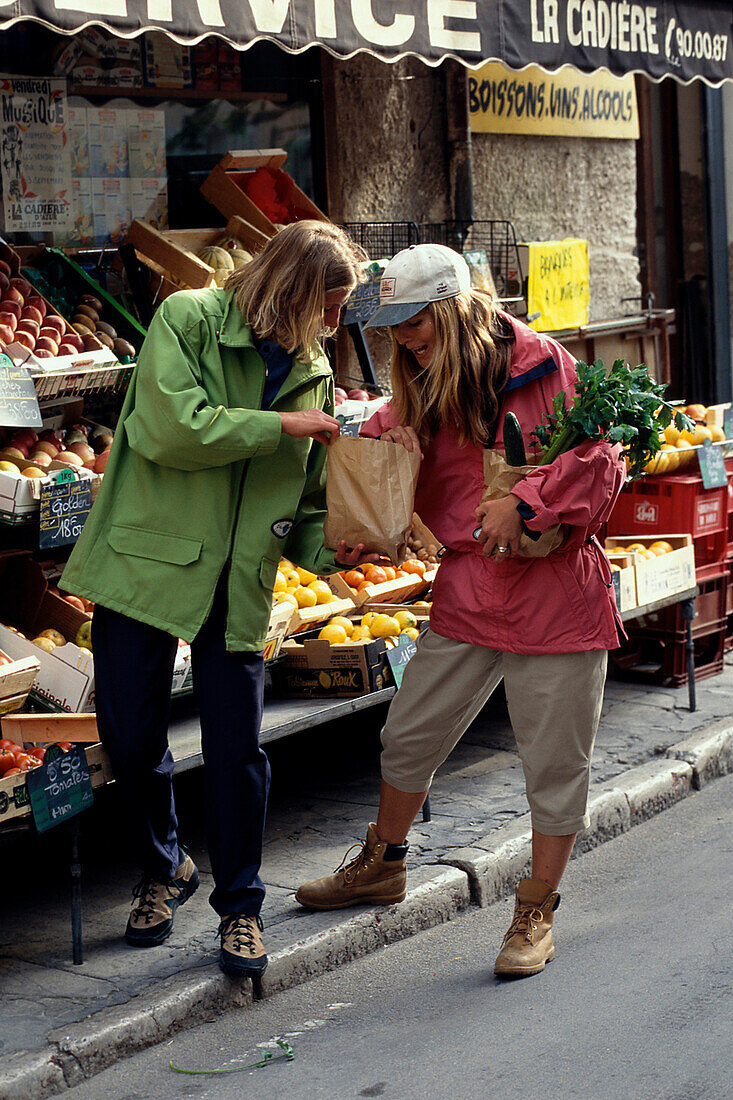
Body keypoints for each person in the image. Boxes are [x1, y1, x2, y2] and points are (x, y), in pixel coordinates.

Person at [296, 243, 626, 979]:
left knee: (553, 765)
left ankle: (535, 909)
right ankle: (382, 864)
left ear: (452, 310)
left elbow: (602, 459)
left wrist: (527, 500)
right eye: (395, 326)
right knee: (408, 736)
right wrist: (368, 487)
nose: (403, 337)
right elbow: (383, 453)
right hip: (469, 588)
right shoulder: (417, 383)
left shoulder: (545, 366)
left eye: (413, 322)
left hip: (553, 597)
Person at [61, 220, 378, 978]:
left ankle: (241, 908)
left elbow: (302, 501)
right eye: (329, 305)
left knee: (238, 752)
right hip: (148, 562)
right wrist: (281, 425)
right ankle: (163, 866)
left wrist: (330, 545)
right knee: (131, 738)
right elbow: (171, 429)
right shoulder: (188, 317)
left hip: (238, 582)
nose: (335, 325)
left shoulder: (312, 367)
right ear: (295, 291)